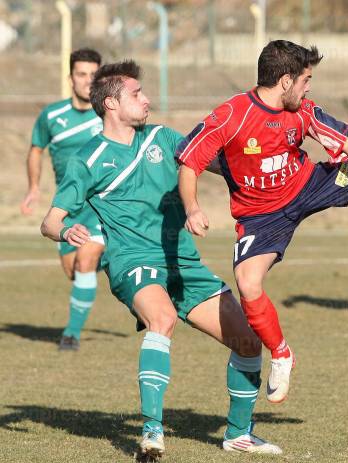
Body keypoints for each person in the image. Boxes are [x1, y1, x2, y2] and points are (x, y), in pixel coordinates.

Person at [40, 60, 281, 457]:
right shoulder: (88, 158)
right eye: (137, 94)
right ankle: (152, 432)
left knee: (248, 343)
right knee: (163, 319)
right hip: (132, 260)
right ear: (112, 103)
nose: (147, 99)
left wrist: (259, 157)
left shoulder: (164, 138)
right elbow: (50, 221)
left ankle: (238, 434)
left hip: (182, 261)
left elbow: (217, 162)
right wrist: (66, 230)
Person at [176, 40, 348, 405]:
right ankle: (281, 353)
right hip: (260, 217)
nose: (309, 87)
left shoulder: (305, 112)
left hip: (309, 186)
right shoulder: (231, 115)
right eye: (306, 79)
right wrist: (192, 207)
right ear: (286, 81)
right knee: (247, 283)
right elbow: (189, 161)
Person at [21, 48, 104, 351]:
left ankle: (70, 335)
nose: (88, 81)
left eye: (94, 75)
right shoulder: (51, 116)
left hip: (103, 209)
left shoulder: (109, 113)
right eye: (81, 74)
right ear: (70, 78)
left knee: (84, 262)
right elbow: (35, 148)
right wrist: (33, 188)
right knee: (74, 270)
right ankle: (108, 259)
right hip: (67, 209)